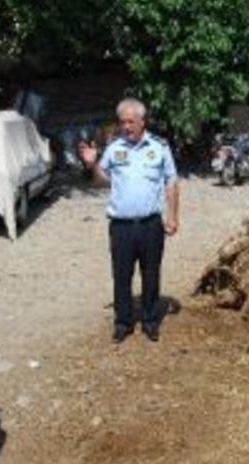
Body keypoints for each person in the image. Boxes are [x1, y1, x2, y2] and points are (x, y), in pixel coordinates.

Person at [78, 98, 180, 343]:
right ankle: (123, 323)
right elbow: (102, 181)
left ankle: (150, 321)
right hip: (121, 226)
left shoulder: (159, 146)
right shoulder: (114, 148)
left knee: (151, 274)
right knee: (122, 276)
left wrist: (173, 216)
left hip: (151, 225)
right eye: (122, 122)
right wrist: (92, 165)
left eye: (131, 122)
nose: (126, 126)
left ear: (142, 121)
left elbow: (172, 182)